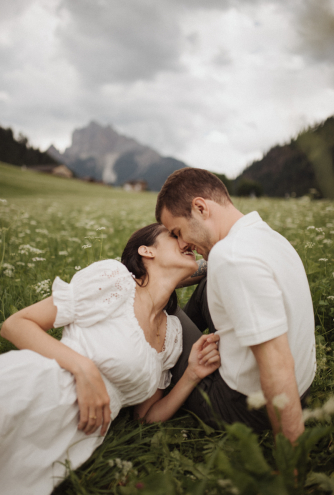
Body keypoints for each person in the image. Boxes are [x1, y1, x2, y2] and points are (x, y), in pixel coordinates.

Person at [0, 223, 220, 495]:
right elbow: (15, 324)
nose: (185, 242)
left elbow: (145, 419)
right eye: (174, 236)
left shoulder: (172, 334)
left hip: (68, 442)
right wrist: (84, 370)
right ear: (146, 251)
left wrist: (191, 375)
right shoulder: (115, 281)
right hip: (35, 388)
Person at [156, 167, 316, 443]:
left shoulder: (231, 259)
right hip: (305, 386)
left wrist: (292, 465)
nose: (183, 244)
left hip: (245, 406)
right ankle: (190, 338)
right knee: (206, 284)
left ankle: (155, 359)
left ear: (200, 207)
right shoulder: (263, 236)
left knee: (164, 310)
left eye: (178, 232)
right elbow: (209, 268)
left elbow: (276, 365)